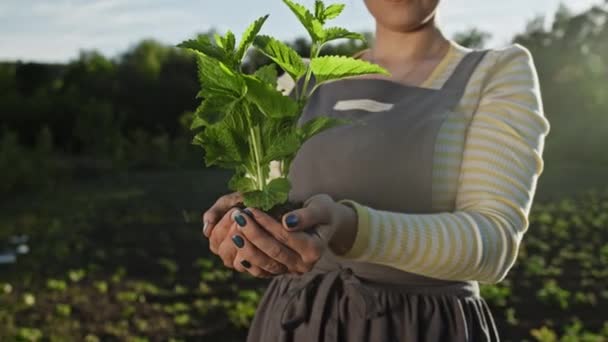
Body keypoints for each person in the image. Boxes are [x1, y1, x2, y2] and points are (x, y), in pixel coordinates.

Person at [201, 0, 551, 340]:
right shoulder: (296, 81)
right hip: (295, 323)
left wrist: (350, 228)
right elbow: (267, 200)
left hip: (422, 327)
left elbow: (494, 244)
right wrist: (248, 232)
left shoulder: (494, 74)